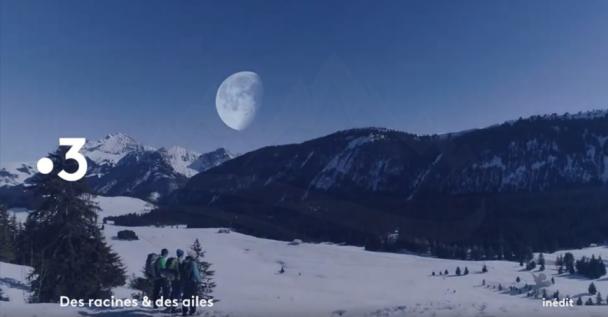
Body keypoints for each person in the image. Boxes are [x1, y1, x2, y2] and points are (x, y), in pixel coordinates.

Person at [181, 250, 202, 316]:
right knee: (193, 297)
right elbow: (196, 273)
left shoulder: (184, 262)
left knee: (185, 296)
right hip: (192, 282)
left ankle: (184, 311)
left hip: (185, 282)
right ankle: (192, 311)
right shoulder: (193, 263)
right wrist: (199, 280)